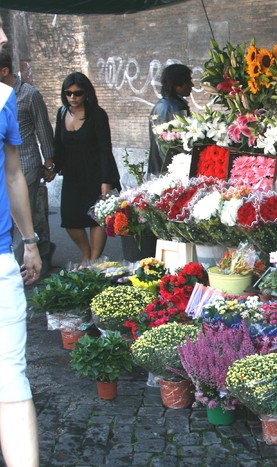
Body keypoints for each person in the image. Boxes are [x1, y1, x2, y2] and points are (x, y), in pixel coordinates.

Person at [0, 20, 41, 467]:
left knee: (9, 380)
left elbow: (13, 174)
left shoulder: (4, 99)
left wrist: (29, 241)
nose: (5, 38)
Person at [53, 72, 121, 263]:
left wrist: (106, 180)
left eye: (78, 93)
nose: (73, 97)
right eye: (68, 93)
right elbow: (58, 144)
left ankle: (93, 259)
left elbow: (104, 148)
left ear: (86, 93)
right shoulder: (62, 113)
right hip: (72, 175)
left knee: (97, 218)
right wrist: (52, 166)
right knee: (70, 218)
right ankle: (85, 252)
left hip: (96, 173)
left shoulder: (97, 114)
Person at [0, 48, 56, 278]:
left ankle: (34, 265)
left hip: (26, 164)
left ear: (4, 71)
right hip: (7, 165)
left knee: (30, 217)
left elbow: (43, 128)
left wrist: (50, 162)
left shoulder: (29, 94)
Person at [148, 63, 193, 174]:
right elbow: (183, 143)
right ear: (177, 85)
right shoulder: (178, 108)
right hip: (172, 169)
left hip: (157, 167)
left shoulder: (158, 106)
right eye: (188, 81)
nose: (192, 85)